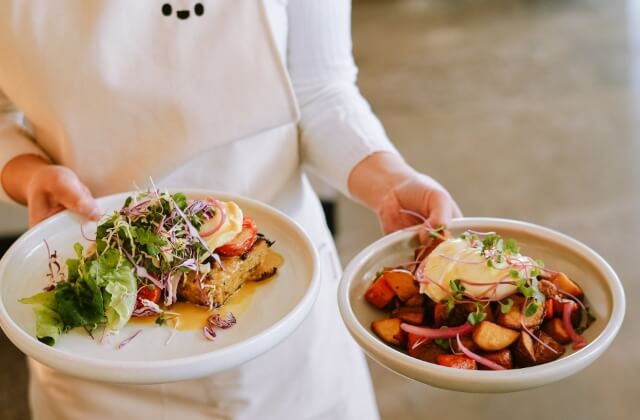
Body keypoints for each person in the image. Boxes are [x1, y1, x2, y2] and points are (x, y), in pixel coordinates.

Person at [0, 1, 462, 419]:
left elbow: (320, 91)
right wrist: (29, 172)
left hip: (281, 321)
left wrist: (390, 180)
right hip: (100, 347)